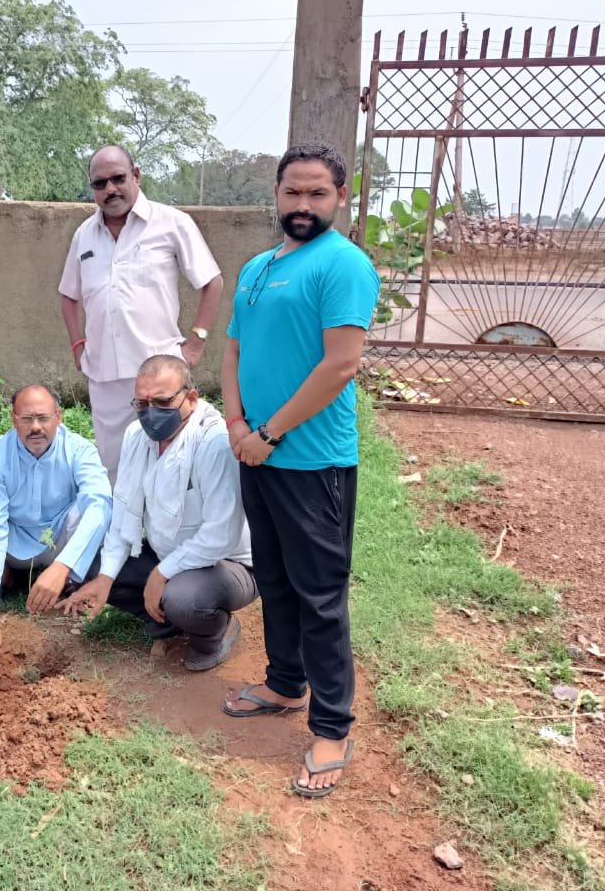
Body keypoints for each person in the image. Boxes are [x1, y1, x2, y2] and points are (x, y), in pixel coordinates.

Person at [219, 143, 380, 799]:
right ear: (277, 195)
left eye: (318, 193)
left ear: (340, 196)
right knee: (276, 581)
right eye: (293, 192)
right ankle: (286, 683)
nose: (304, 204)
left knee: (319, 596)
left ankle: (332, 729)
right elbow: (233, 351)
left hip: (313, 464)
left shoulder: (343, 264)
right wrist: (237, 426)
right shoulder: (257, 268)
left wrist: (269, 433)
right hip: (256, 454)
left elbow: (341, 363)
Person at [58, 355, 256, 672]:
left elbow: (221, 535)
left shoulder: (214, 442)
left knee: (184, 599)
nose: (151, 413)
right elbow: (124, 510)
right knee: (94, 564)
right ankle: (169, 624)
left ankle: (215, 632)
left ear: (192, 398)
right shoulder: (137, 436)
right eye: (142, 404)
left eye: (163, 402)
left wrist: (161, 573)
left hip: (228, 564)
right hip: (167, 555)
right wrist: (106, 579)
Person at [59, 145, 224, 483]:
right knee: (114, 466)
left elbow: (212, 282)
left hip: (160, 374)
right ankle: (124, 520)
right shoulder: (84, 234)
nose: (110, 189)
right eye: (100, 183)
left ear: (136, 175)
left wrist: (196, 343)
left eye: (118, 178)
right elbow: (68, 295)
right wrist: (77, 344)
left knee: (171, 462)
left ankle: (166, 521)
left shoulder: (171, 223)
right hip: (105, 375)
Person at [0, 384, 112, 654]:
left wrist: (62, 567)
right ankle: (2, 574)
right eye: (27, 419)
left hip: (59, 545)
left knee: (96, 503)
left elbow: (100, 506)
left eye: (43, 418)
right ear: (14, 419)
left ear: (58, 417)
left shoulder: (79, 450)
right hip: (11, 545)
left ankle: (68, 580)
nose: (36, 427)